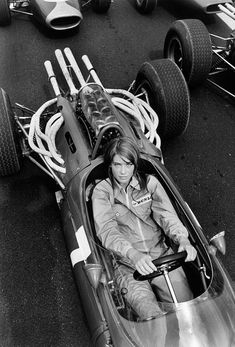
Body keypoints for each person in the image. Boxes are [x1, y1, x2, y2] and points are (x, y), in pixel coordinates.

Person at [92, 136, 197, 320]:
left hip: (162, 256)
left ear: (135, 164)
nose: (123, 172)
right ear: (110, 165)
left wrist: (183, 239)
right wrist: (133, 254)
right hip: (127, 265)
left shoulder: (149, 183)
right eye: (117, 165)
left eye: (128, 164)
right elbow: (107, 231)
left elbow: (167, 216)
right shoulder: (102, 191)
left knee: (188, 311)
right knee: (152, 319)